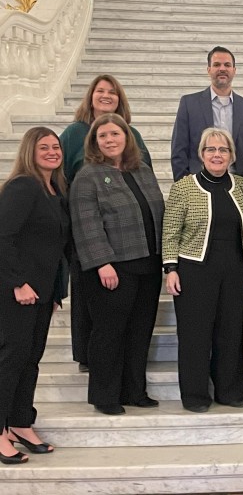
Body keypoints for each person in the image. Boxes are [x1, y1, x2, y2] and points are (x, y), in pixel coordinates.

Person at [70, 113, 164, 416]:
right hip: (112, 268)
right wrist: (102, 263)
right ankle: (105, 394)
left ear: (127, 137)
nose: (110, 140)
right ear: (95, 142)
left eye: (115, 134)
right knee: (109, 332)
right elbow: (86, 223)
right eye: (103, 136)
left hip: (147, 264)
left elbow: (156, 214)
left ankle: (134, 390)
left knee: (140, 330)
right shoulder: (88, 175)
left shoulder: (143, 170)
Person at [60, 74, 153, 374]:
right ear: (90, 97)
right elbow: (60, 174)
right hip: (90, 222)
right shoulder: (75, 133)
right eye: (100, 91)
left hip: (132, 239)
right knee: (92, 305)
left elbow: (143, 176)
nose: (106, 95)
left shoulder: (133, 134)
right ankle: (87, 357)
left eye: (112, 92)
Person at [163, 128, 243, 413]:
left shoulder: (241, 185)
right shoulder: (184, 186)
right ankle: (195, 395)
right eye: (211, 150)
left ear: (232, 155)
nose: (217, 155)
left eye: (223, 150)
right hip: (194, 268)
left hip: (234, 268)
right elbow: (170, 230)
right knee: (195, 334)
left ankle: (230, 391)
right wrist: (171, 268)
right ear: (201, 154)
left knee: (230, 331)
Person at [0, 127, 69, 465]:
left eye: (56, 147)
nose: (52, 152)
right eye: (44, 147)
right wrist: (17, 283)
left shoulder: (54, 190)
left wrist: (56, 290)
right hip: (17, 292)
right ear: (30, 150)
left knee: (31, 358)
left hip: (42, 293)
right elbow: (3, 237)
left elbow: (55, 249)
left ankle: (20, 421)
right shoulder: (23, 187)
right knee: (11, 359)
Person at [171, 46, 243, 180]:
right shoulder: (189, 104)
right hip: (198, 183)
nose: (222, 69)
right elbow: (179, 150)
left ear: (234, 70)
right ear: (209, 70)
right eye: (217, 64)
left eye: (227, 65)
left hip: (237, 183)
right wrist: (184, 184)